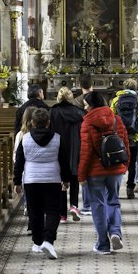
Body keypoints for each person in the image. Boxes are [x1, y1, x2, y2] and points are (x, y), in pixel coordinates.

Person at [14, 108, 71, 260]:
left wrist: (17, 182)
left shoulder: (24, 139)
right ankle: (48, 241)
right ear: (48, 122)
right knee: (53, 211)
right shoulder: (57, 138)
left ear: (32, 123)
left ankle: (37, 242)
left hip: (31, 180)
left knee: (35, 212)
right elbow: (64, 161)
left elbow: (19, 162)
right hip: (52, 179)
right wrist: (66, 179)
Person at [79, 90, 129, 255]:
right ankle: (115, 232)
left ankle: (103, 245)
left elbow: (85, 152)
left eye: (86, 104)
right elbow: (125, 142)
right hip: (115, 168)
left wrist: (81, 175)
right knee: (113, 201)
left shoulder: (87, 123)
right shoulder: (116, 119)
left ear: (92, 105)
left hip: (95, 171)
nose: (84, 108)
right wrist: (125, 163)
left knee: (98, 206)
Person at [50, 86, 85, 220]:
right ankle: (74, 206)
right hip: (75, 147)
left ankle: (61, 213)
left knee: (60, 178)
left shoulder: (52, 112)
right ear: (71, 98)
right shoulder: (79, 112)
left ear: (58, 98)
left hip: (57, 147)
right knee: (74, 176)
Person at [111, 77, 138, 199]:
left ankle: (115, 189)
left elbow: (112, 118)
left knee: (117, 162)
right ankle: (130, 188)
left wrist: (114, 133)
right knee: (132, 163)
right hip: (133, 137)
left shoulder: (116, 100)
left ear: (124, 87)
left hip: (118, 137)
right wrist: (137, 134)